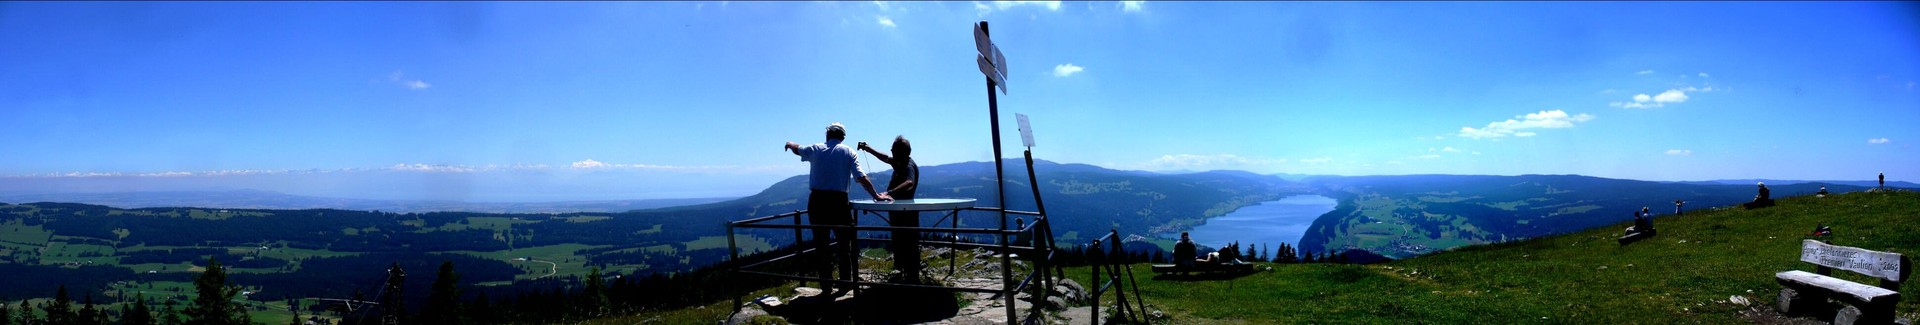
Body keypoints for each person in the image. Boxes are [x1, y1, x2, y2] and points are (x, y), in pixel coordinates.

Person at [784, 123, 889, 292]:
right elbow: (860, 176)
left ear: (828, 134)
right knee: (843, 244)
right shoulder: (848, 152)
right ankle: (846, 282)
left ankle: (826, 285)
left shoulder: (816, 149)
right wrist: (876, 195)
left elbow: (799, 149)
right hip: (839, 202)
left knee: (821, 245)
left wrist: (790, 143)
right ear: (843, 137)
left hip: (817, 201)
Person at [858, 136, 921, 283]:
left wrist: (889, 193)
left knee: (906, 243)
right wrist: (868, 148)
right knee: (901, 242)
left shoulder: (908, 165)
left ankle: (910, 278)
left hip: (905, 213)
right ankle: (902, 275)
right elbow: (885, 158)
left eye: (893, 150)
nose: (891, 152)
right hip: (901, 211)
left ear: (901, 151)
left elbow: (910, 182)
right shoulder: (901, 162)